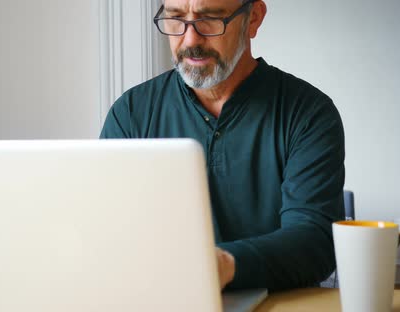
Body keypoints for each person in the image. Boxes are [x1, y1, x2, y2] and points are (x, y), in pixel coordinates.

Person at [100, 0, 345, 291]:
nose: (190, 39)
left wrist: (224, 266)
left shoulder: (307, 113)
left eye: (211, 19)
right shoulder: (130, 114)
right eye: (176, 19)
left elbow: (314, 241)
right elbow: (105, 231)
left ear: (253, 19)